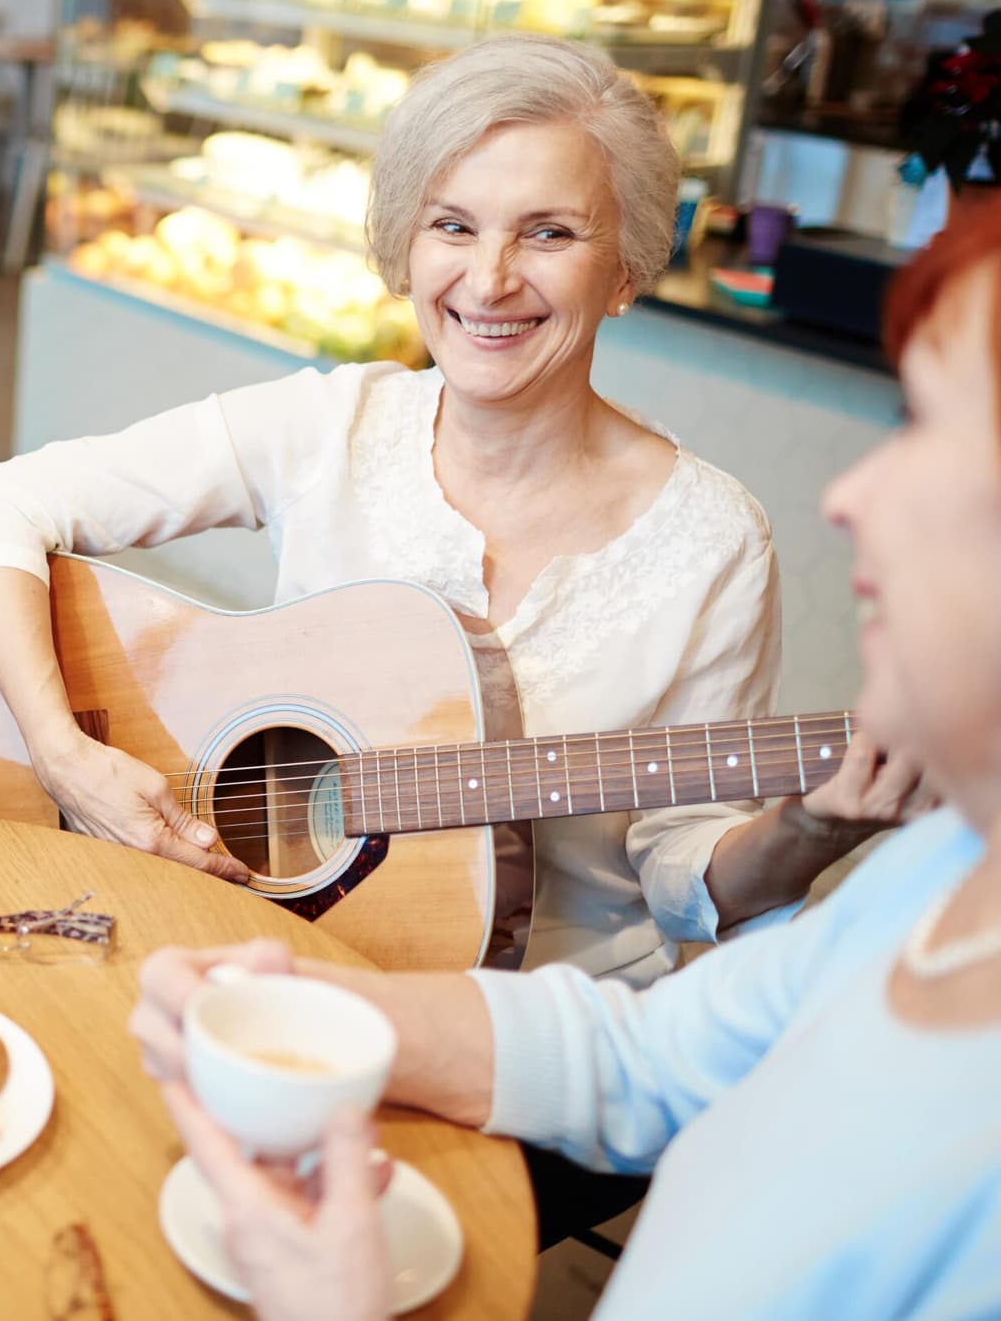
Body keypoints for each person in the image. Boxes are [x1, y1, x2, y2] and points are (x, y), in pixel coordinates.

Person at [127, 204, 1001, 1320]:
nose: (849, 496)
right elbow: (642, 1055)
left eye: (927, 430)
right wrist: (313, 1010)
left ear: (621, 271)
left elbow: (673, 899)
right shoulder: (928, 883)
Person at [0, 33, 917, 987]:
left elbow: (679, 874)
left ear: (624, 268)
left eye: (548, 231)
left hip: (556, 1032)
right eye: (452, 224)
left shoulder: (712, 539)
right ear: (406, 245)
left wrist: (809, 829)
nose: (487, 280)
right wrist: (64, 758)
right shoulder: (333, 425)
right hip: (280, 978)